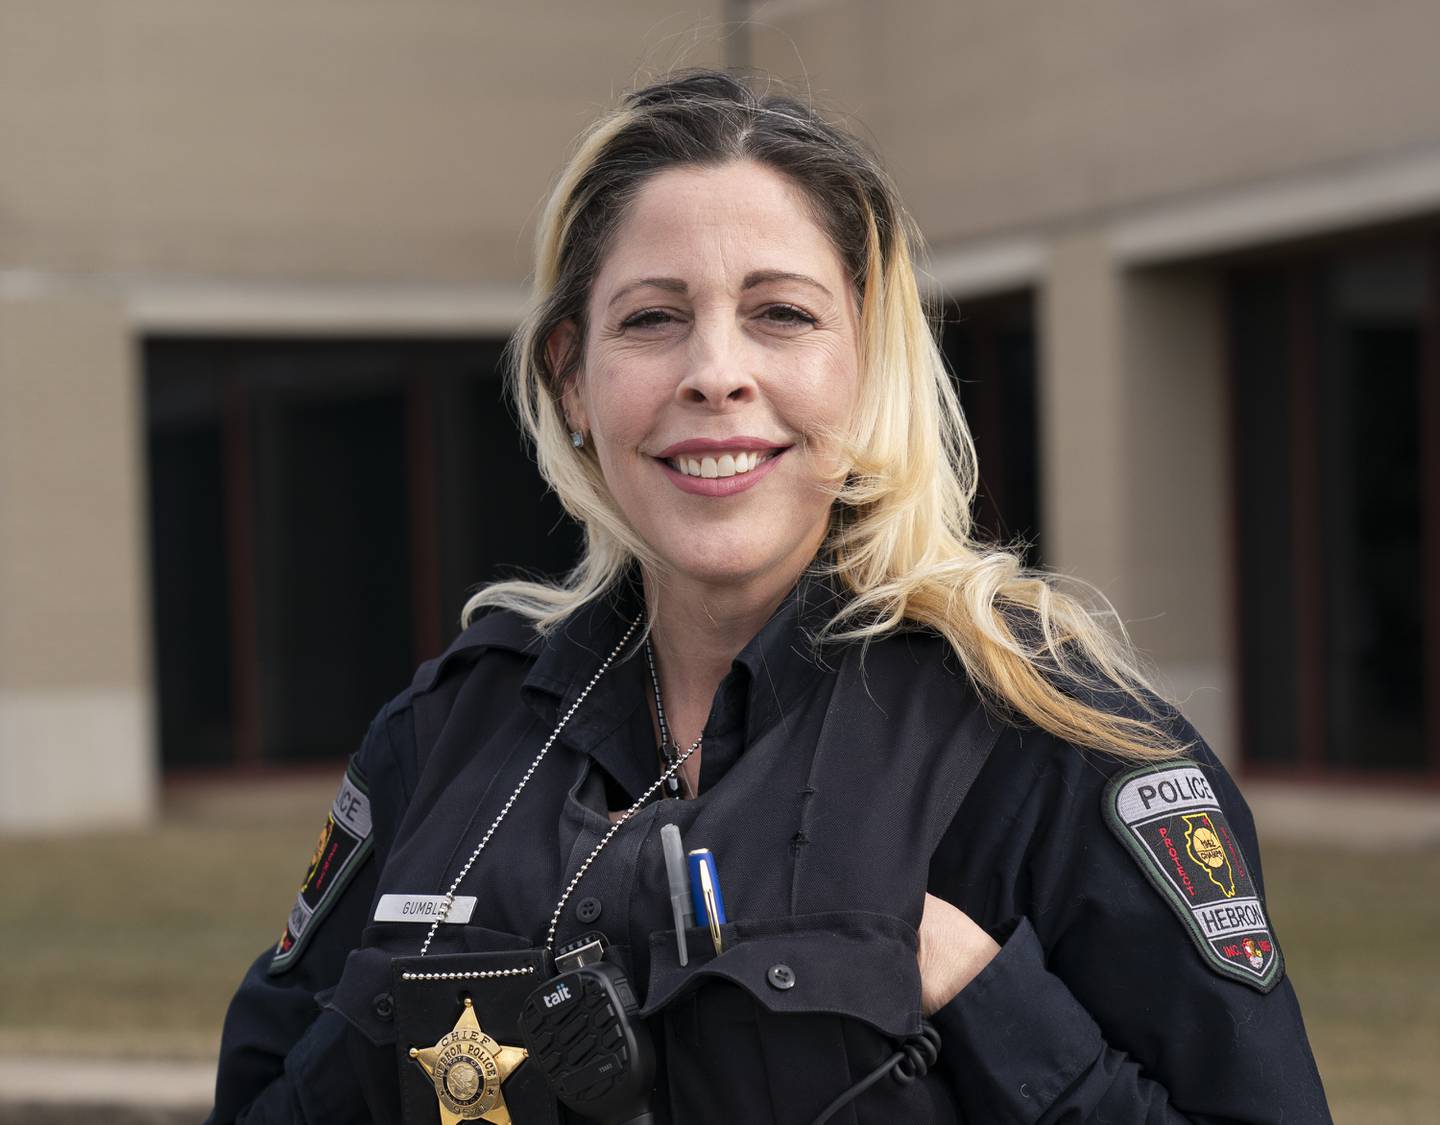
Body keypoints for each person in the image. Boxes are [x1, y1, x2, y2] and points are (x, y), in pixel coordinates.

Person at [208, 70, 1332, 1124]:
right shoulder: (445, 740)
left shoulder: (1051, 747)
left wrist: (986, 999)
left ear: (870, 362)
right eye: (652, 318)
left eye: (781, 315)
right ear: (571, 376)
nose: (715, 371)